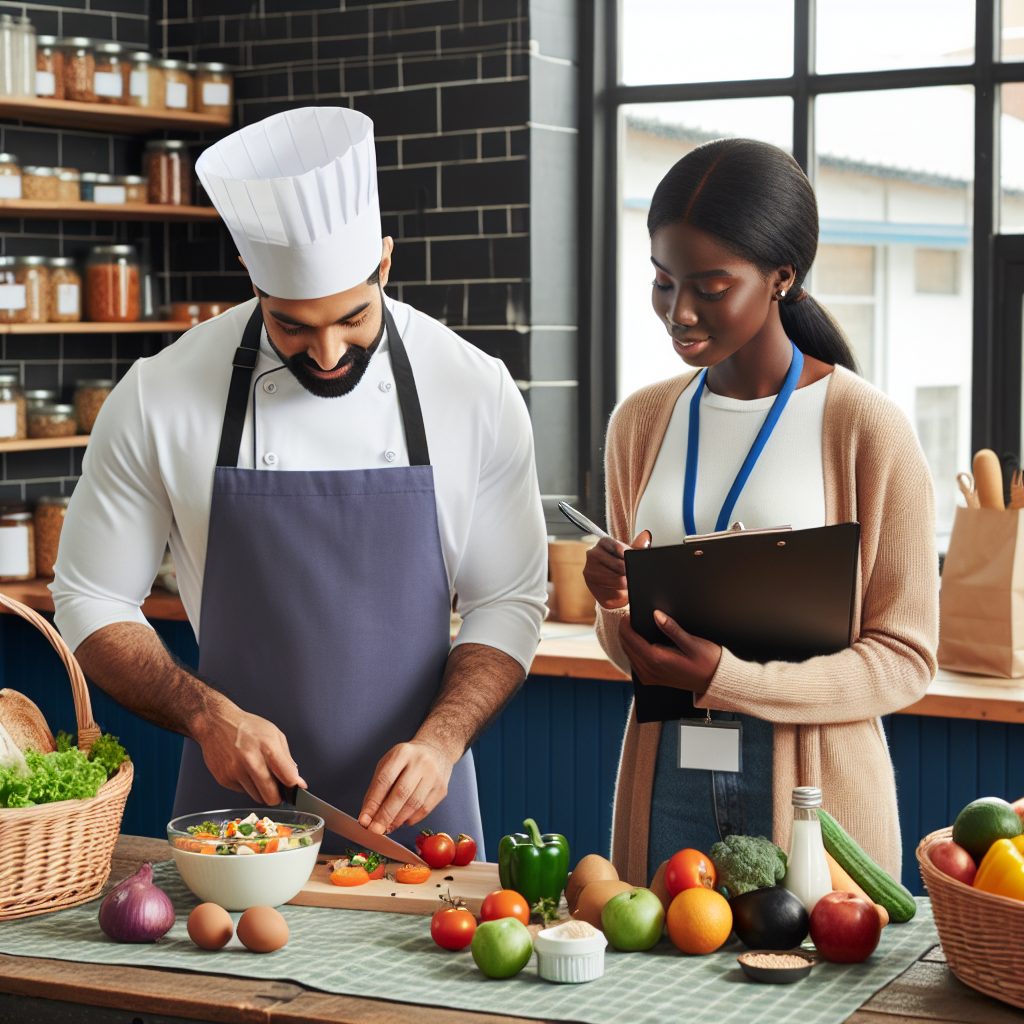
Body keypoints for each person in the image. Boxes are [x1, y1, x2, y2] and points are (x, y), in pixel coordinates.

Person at [51, 107, 548, 855]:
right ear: (251, 279)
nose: (325, 353)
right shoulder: (161, 392)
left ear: (385, 263)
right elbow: (88, 598)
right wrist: (204, 715)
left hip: (419, 823)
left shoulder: (473, 388)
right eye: (291, 327)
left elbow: (508, 598)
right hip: (236, 821)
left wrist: (443, 741)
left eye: (353, 319)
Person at [584, 138, 938, 886]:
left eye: (710, 286)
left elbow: (904, 661)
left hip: (819, 804)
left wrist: (727, 678)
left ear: (782, 277)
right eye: (662, 281)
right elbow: (635, 653)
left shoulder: (865, 428)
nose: (678, 311)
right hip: (665, 781)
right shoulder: (640, 423)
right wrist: (616, 603)